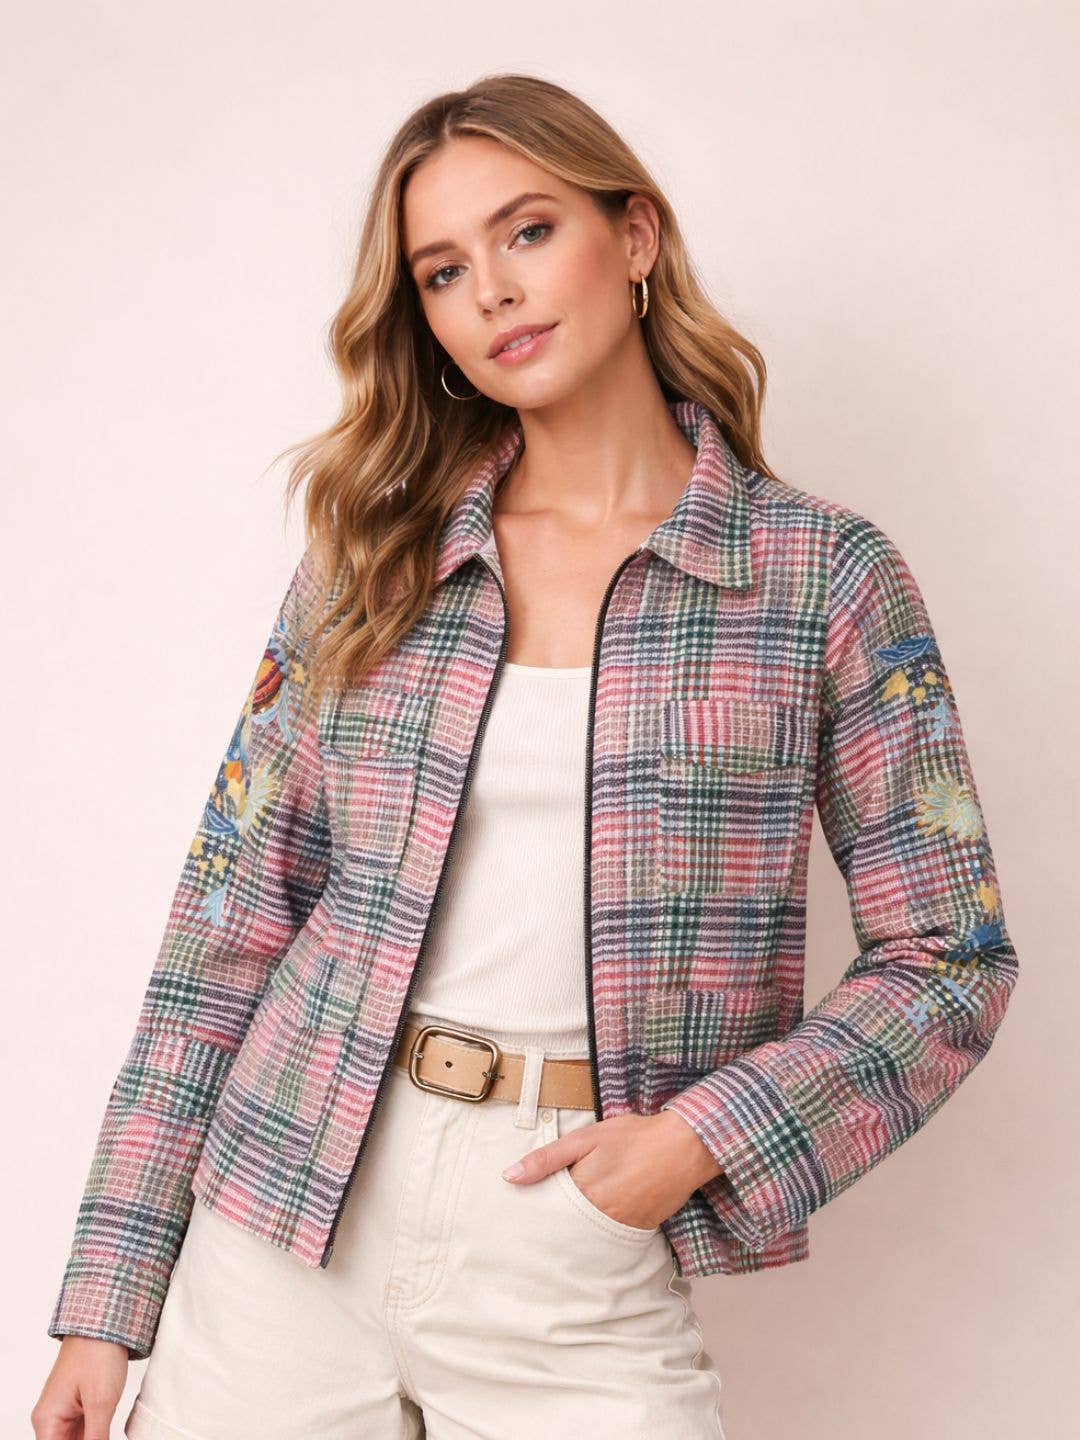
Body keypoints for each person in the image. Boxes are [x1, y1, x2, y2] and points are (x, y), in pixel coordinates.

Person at [33, 72, 1018, 1440]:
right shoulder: (374, 560)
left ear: (635, 237)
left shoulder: (819, 578)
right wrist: (107, 1298)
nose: (491, 290)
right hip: (284, 1213)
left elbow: (951, 956)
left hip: (571, 1243)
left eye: (529, 231)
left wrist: (699, 1141)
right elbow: (228, 924)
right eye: (443, 270)